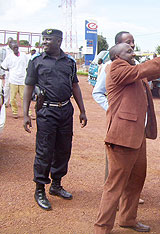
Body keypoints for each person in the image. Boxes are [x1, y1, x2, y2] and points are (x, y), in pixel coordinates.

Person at [94, 42, 160, 234]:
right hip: (122, 138)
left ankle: (127, 219)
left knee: (137, 180)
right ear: (117, 57)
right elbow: (146, 68)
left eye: (133, 50)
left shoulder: (133, 72)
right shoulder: (116, 68)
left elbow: (152, 72)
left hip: (137, 136)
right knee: (115, 185)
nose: (133, 53)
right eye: (128, 51)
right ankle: (101, 228)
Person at [23, 29, 87, 211]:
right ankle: (40, 189)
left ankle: (56, 185)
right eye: (43, 38)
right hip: (46, 111)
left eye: (48, 39)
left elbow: (75, 86)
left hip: (66, 110)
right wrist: (26, 114)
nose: (44, 42)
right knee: (44, 150)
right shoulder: (36, 61)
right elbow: (28, 87)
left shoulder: (70, 62)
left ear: (59, 41)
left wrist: (82, 110)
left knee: (63, 149)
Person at [92, 31, 144, 204]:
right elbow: (98, 93)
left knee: (134, 165)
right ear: (117, 48)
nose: (132, 46)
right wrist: (114, 110)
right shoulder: (109, 67)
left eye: (133, 42)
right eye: (128, 43)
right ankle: (113, 201)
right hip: (120, 125)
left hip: (137, 125)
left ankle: (127, 199)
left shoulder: (135, 64)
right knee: (115, 168)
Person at [1, 42, 30, 119]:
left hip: (22, 80)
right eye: (14, 48)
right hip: (13, 79)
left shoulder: (24, 55)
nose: (16, 49)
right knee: (12, 98)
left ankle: (28, 113)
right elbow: (3, 66)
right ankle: (15, 112)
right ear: (11, 49)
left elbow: (29, 65)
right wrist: (9, 70)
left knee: (24, 97)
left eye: (17, 47)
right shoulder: (9, 57)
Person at [1, 37, 14, 107]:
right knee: (7, 86)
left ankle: (12, 102)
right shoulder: (4, 50)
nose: (11, 43)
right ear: (7, 42)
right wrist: (2, 72)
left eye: (12, 42)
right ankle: (5, 102)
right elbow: (1, 61)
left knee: (13, 87)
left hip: (14, 71)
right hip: (7, 71)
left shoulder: (15, 49)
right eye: (10, 42)